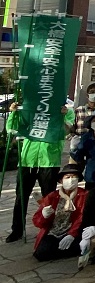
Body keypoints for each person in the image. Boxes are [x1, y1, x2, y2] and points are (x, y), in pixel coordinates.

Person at [4, 100, 74, 243]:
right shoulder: (29, 109)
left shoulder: (65, 110)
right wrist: (14, 112)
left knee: (49, 198)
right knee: (21, 197)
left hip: (49, 160)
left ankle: (48, 228)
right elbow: (11, 128)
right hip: (27, 160)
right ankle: (17, 230)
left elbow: (65, 131)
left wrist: (63, 116)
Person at [32, 164, 87, 261]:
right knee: (40, 253)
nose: (71, 180)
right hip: (53, 233)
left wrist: (71, 234)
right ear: (61, 180)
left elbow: (82, 217)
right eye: (68, 177)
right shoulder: (52, 196)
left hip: (73, 232)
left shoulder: (84, 195)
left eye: (74, 177)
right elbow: (37, 222)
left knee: (78, 247)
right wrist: (44, 216)